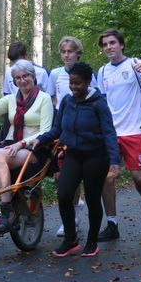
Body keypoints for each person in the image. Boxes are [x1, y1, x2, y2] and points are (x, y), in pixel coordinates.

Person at [32, 62, 120, 257]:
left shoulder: (98, 103)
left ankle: (91, 241)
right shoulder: (67, 102)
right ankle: (70, 240)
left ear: (88, 82)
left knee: (92, 198)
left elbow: (109, 133)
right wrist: (40, 139)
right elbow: (57, 130)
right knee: (63, 194)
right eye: (71, 83)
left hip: (96, 156)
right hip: (73, 154)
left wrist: (114, 162)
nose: (73, 87)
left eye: (78, 83)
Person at [96, 29, 141, 241]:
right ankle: (112, 224)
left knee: (138, 177)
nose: (109, 47)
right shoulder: (102, 72)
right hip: (111, 134)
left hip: (135, 130)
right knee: (107, 178)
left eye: (112, 43)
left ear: (121, 45)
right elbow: (101, 101)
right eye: (105, 45)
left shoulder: (134, 64)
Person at [0, 58, 54, 231]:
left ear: (33, 76)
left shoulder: (44, 98)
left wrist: (23, 143)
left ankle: (7, 211)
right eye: (18, 78)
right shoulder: (11, 99)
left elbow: (45, 130)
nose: (22, 80)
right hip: (11, 146)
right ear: (14, 81)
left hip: (33, 148)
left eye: (26, 76)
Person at [47, 36, 99, 237]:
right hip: (64, 127)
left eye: (70, 51)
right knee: (63, 176)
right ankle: (73, 215)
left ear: (78, 53)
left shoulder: (88, 75)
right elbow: (53, 97)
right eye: (63, 52)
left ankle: (77, 216)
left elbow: (95, 98)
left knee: (81, 175)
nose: (67, 55)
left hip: (84, 129)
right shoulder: (55, 74)